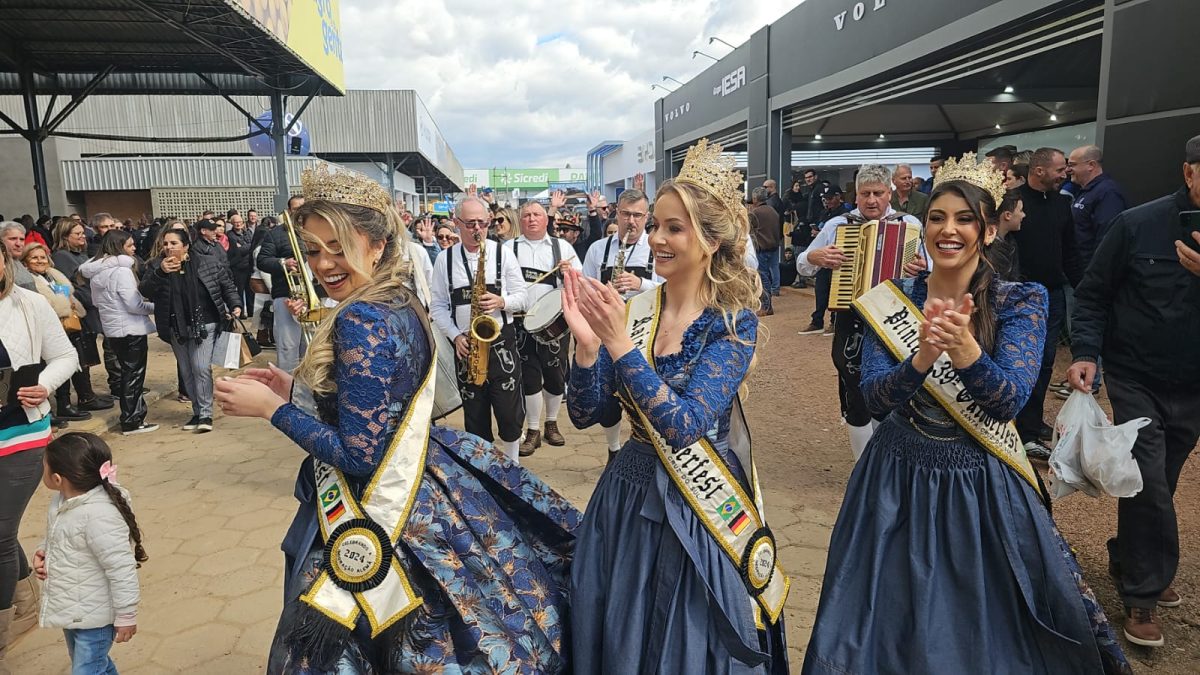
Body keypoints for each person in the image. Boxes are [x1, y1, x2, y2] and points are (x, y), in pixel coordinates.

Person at [213, 165, 580, 672]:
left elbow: (360, 454)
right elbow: (381, 403)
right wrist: (295, 391)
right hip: (427, 477)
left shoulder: (362, 318)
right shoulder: (399, 299)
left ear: (379, 244)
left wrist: (272, 411)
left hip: (384, 503)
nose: (324, 263)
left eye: (339, 246)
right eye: (315, 249)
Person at [802, 154, 1129, 675]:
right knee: (882, 614)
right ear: (922, 225)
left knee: (977, 620)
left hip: (981, 482)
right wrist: (923, 356)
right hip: (893, 478)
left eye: (964, 218)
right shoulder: (891, 299)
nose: (947, 229)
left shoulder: (1021, 299)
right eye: (936, 217)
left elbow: (1009, 402)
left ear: (990, 228)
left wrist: (966, 351)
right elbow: (872, 400)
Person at [566, 139, 788, 673]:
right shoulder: (638, 309)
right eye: (655, 226)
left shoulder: (732, 323)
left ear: (710, 241)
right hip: (627, 493)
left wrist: (619, 345)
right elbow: (588, 412)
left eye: (674, 228)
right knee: (619, 624)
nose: (657, 239)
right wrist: (587, 349)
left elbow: (685, 424)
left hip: (697, 505)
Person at [1065, 134, 1200, 649]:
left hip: (1193, 383)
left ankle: (1130, 554)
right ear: (1188, 173)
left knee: (1162, 474)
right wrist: (1084, 352)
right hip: (1135, 375)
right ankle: (1142, 593)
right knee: (1147, 473)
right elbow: (1094, 293)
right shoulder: (1137, 224)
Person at [797, 166, 926, 458]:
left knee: (893, 385)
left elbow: (929, 266)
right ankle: (863, 465)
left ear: (889, 193)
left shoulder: (909, 224)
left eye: (878, 193)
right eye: (864, 194)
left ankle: (887, 460)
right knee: (853, 383)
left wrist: (922, 268)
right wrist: (814, 256)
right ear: (855, 195)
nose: (871, 200)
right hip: (851, 316)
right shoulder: (838, 225)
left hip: (895, 317)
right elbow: (803, 264)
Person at [0, 246, 79, 671]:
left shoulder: (28, 304)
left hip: (20, 435)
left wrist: (44, 385)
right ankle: (25, 598)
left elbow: (65, 355)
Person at [36, 432, 145, 675]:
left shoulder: (98, 515)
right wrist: (43, 552)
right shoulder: (62, 501)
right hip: (72, 609)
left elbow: (121, 568)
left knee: (87, 669)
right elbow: (59, 535)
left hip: (96, 617)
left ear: (56, 478)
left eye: (43, 466)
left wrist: (126, 614)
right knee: (96, 665)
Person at [431, 196, 528, 461]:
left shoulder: (503, 253)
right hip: (466, 346)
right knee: (474, 414)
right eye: (471, 223)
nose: (477, 229)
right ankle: (484, 469)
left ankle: (512, 464)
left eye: (483, 223)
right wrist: (455, 335)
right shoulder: (444, 260)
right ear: (457, 223)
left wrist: (502, 301)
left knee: (509, 412)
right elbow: (437, 306)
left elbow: (523, 296)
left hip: (500, 343)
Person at [582, 188, 664, 460]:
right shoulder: (598, 249)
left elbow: (671, 289)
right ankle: (614, 447)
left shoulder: (658, 246)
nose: (631, 221)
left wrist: (641, 284)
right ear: (616, 213)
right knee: (608, 396)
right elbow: (584, 286)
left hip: (645, 331)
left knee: (644, 394)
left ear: (647, 216)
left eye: (637, 215)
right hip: (607, 332)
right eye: (626, 214)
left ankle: (648, 448)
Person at [1011, 147, 1081, 456]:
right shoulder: (1013, 202)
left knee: (1045, 362)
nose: (1065, 173)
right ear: (1039, 170)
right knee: (1018, 360)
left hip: (1052, 295)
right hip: (1019, 296)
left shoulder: (1063, 204)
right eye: (1060, 169)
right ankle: (1017, 426)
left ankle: (1031, 422)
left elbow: (1071, 252)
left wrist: (1084, 288)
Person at [139, 228, 242, 434]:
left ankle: (205, 413)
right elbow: (145, 291)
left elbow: (226, 285)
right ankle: (196, 411)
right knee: (186, 371)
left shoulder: (207, 262)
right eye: (166, 244)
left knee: (200, 367)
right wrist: (161, 273)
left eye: (173, 243)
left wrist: (235, 304)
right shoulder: (156, 266)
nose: (168, 247)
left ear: (185, 246)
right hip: (176, 326)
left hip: (205, 324)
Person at [506, 202, 581, 456]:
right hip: (520, 321)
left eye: (537, 214)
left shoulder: (564, 248)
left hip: (555, 324)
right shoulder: (509, 248)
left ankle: (552, 422)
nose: (532, 219)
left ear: (546, 220)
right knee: (529, 377)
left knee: (555, 377)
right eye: (526, 215)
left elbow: (579, 285)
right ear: (521, 220)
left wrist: (569, 274)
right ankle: (534, 430)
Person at [77, 231, 158, 436]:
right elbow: (134, 305)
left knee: (127, 374)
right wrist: (155, 307)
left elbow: (97, 302)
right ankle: (132, 419)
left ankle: (132, 416)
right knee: (134, 376)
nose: (134, 249)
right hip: (130, 329)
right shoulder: (122, 271)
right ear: (119, 248)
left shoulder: (97, 272)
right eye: (130, 246)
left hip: (113, 330)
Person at [19, 243, 91, 425]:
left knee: (68, 365)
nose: (39, 261)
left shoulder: (53, 276)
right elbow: (53, 303)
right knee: (47, 371)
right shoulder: (29, 281)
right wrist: (63, 305)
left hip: (67, 326)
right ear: (25, 261)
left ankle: (64, 404)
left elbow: (67, 295)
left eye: (42, 257)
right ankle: (52, 409)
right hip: (47, 328)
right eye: (34, 257)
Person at [50, 219, 113, 413]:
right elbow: (75, 287)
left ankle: (87, 393)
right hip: (78, 312)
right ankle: (85, 396)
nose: (82, 236)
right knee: (78, 355)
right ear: (64, 236)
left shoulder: (80, 254)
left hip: (89, 309)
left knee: (85, 353)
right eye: (77, 234)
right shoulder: (62, 256)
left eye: (82, 233)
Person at [257, 196, 307, 374]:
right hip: (287, 294)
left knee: (311, 347)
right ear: (289, 211)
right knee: (288, 347)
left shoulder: (319, 230)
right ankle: (287, 388)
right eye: (295, 209)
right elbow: (262, 260)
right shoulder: (276, 233)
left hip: (315, 295)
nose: (299, 212)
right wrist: (283, 263)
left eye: (303, 207)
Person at [796, 185, 851, 334]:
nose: (828, 201)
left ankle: (834, 321)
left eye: (830, 198)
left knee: (835, 291)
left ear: (839, 197)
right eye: (825, 199)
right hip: (822, 257)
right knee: (820, 290)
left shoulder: (846, 215)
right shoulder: (824, 213)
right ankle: (817, 320)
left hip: (837, 257)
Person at [1066, 145, 1129, 270]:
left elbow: (1107, 239)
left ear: (1091, 165)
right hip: (1078, 269)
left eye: (1072, 165)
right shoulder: (1086, 191)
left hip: (1091, 271)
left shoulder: (1107, 193)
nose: (1068, 170)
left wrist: (1095, 274)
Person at [749, 187, 782, 315]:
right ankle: (768, 303)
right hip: (774, 247)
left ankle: (766, 306)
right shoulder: (772, 210)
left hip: (762, 248)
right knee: (772, 272)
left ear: (755, 198)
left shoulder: (755, 213)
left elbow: (746, 228)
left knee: (763, 278)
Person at [989, 189, 1026, 281]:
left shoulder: (1010, 242)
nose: (1024, 215)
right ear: (1008, 215)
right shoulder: (989, 249)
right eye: (1021, 210)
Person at [226, 211, 255, 318]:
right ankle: (241, 312)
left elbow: (253, 245)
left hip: (249, 265)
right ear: (232, 223)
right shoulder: (230, 235)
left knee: (250, 290)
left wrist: (244, 246)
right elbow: (238, 251)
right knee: (240, 291)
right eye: (236, 222)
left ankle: (251, 312)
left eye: (240, 222)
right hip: (238, 267)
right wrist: (249, 246)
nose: (238, 224)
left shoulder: (248, 232)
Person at [1, 223, 36, 292]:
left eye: (22, 239)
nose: (18, 244)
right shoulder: (2, 267)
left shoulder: (19, 262)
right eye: (13, 239)